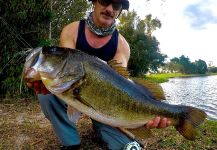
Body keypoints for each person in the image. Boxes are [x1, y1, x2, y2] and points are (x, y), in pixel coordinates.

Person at [27, 0, 171, 149]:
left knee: (126, 146)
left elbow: (120, 84)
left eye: (116, 6)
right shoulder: (72, 30)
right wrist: (40, 78)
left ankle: (103, 126)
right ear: (94, 2)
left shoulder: (122, 45)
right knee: (48, 93)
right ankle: (70, 142)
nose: (109, 9)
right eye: (105, 1)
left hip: (108, 105)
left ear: (119, 11)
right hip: (77, 93)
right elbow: (65, 70)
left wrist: (147, 116)